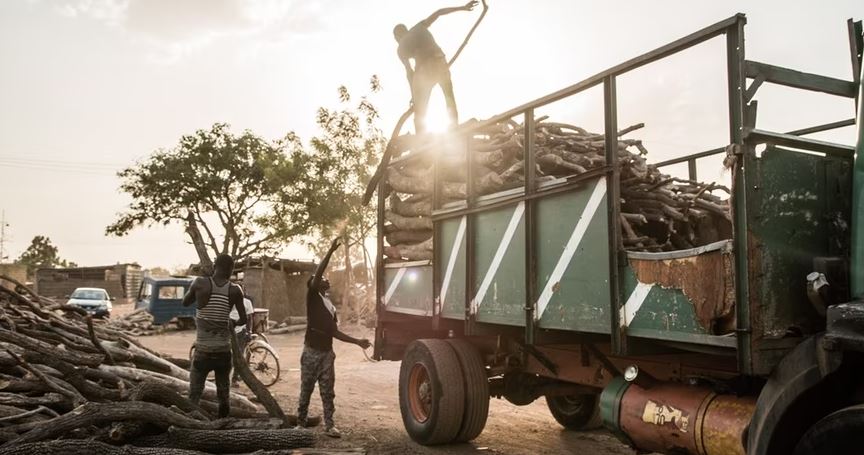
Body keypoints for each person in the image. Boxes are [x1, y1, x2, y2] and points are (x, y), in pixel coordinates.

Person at [296, 238, 371, 438]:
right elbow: (319, 271)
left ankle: (329, 426)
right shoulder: (312, 297)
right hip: (311, 352)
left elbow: (334, 332)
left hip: (327, 354)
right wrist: (330, 250)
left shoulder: (329, 305)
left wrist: (358, 342)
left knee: (328, 392)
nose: (323, 278)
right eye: (318, 277)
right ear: (313, 284)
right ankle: (301, 424)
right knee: (306, 389)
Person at [393, 0, 478, 133]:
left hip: (424, 71)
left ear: (397, 36)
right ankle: (454, 126)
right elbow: (438, 13)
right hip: (440, 62)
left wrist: (415, 96)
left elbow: (409, 73)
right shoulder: (418, 27)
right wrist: (463, 7)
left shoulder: (400, 48)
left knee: (420, 110)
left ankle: (421, 138)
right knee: (449, 96)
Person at [182, 254, 246, 418]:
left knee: (194, 393)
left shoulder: (200, 283)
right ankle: (222, 426)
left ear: (214, 266)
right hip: (223, 352)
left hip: (202, 351)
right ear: (231, 270)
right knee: (223, 395)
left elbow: (185, 302)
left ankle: (189, 425)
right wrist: (232, 323)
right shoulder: (235, 290)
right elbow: (244, 319)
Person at [229, 286, 255, 386]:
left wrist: (249, 331)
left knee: (239, 355)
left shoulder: (247, 302)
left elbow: (250, 318)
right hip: (229, 330)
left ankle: (235, 378)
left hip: (241, 331)